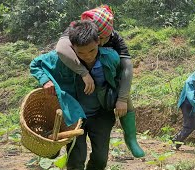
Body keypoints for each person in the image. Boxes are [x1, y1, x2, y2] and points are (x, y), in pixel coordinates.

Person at [30, 20, 120, 170]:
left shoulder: (110, 58)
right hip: (73, 118)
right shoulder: (61, 60)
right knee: (76, 161)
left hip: (101, 115)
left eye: (92, 51)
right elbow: (35, 64)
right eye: (81, 53)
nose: (88, 56)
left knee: (100, 159)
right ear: (72, 48)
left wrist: (123, 100)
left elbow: (120, 79)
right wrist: (45, 80)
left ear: (98, 41)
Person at [55, 4, 145, 158]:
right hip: (77, 76)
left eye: (105, 38)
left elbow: (127, 68)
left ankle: (131, 138)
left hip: (106, 75)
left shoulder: (114, 38)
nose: (103, 42)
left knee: (124, 93)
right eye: (101, 38)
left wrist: (122, 98)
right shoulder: (76, 29)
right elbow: (61, 49)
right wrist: (83, 72)